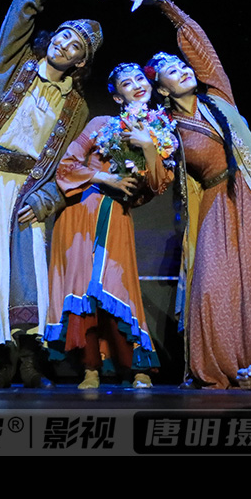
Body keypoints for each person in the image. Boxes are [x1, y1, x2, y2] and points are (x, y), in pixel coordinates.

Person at [133, 0, 251, 389]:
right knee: (211, 289)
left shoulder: (219, 99)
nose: (183, 70)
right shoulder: (168, 129)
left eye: (182, 65)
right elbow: (158, 181)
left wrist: (167, 7)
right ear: (162, 90)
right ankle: (219, 367)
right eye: (172, 70)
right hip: (215, 208)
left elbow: (204, 54)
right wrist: (146, 146)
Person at [0, 0, 104, 389]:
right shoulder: (15, 64)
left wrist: (46, 200)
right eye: (64, 35)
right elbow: (23, 6)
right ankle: (0, 362)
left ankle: (31, 362)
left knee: (28, 270)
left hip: (28, 188)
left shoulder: (76, 107)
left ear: (80, 62)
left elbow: (68, 166)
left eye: (76, 46)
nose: (65, 45)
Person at [45, 63, 175, 389]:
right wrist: (104, 177)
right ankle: (90, 368)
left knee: (117, 287)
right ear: (118, 97)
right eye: (126, 83)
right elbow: (66, 165)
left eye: (140, 79)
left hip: (115, 214)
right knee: (85, 292)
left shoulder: (161, 132)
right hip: (80, 214)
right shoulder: (102, 124)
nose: (136, 85)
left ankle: (137, 367)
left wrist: (148, 146)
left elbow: (158, 184)